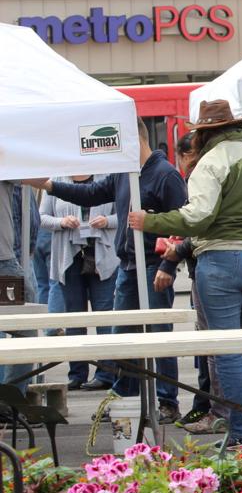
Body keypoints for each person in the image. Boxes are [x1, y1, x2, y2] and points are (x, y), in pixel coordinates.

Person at [130, 100, 242, 446]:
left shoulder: (210, 162)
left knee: (227, 350)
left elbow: (196, 218)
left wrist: (149, 221)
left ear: (205, 133)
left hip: (220, 261)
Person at [28, 118, 187, 423]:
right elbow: (91, 194)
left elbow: (183, 221)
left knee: (159, 336)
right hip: (128, 266)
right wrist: (48, 185)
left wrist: (168, 263)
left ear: (135, 140)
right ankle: (124, 397)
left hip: (153, 266)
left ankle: (167, 401)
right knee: (121, 337)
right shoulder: (124, 172)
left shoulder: (165, 175)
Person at [160, 132, 228, 434]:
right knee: (210, 346)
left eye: (187, 157)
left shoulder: (206, 174)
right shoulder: (218, 169)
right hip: (205, 265)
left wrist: (174, 251)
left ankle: (216, 410)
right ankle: (210, 406)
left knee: (214, 346)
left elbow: (200, 225)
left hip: (209, 267)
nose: (186, 164)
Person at [40, 174, 119, 391]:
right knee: (74, 316)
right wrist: (62, 222)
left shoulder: (107, 179)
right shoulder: (57, 179)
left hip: (102, 256)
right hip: (69, 257)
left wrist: (107, 221)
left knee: (104, 315)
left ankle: (106, 373)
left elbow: (126, 215)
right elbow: (42, 217)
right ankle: (77, 373)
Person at [0, 181, 38, 394]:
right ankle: (9, 398)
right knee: (26, 326)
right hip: (3, 263)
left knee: (24, 325)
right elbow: (38, 177)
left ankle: (8, 397)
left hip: (5, 260)